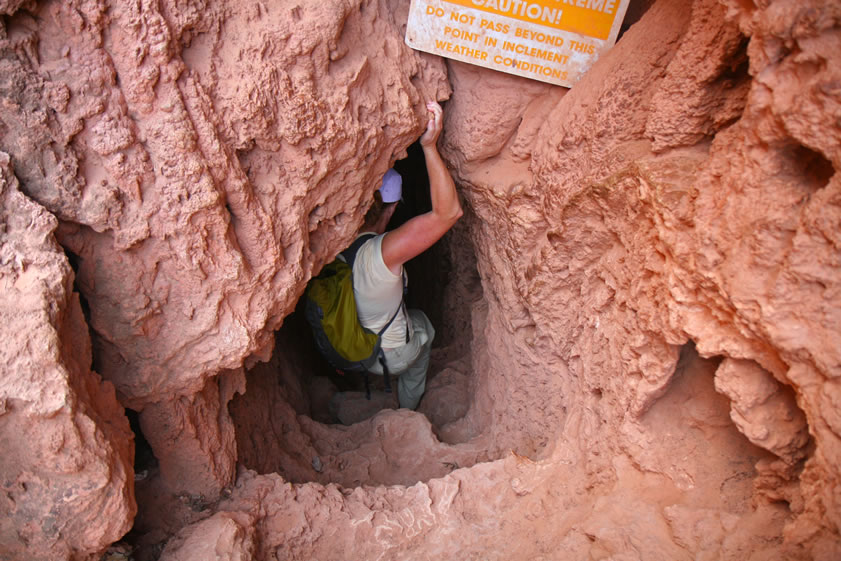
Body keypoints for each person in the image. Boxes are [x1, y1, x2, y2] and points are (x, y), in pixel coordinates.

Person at [350, 100, 462, 410]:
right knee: (424, 325)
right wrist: (429, 147)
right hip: (388, 356)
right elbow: (448, 213)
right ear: (393, 206)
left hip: (351, 351)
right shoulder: (381, 253)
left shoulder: (336, 248)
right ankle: (407, 409)